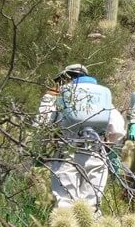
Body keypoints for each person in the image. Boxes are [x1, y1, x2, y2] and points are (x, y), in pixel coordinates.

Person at [35, 64, 125, 216]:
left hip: (65, 154)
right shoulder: (101, 98)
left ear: (66, 78)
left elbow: (41, 124)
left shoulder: (58, 97)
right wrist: (108, 147)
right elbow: (117, 129)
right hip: (95, 153)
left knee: (65, 205)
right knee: (92, 206)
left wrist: (41, 150)